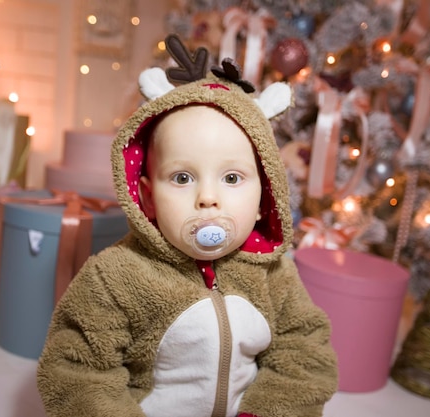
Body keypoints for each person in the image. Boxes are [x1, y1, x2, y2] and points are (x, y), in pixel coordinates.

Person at [37, 35, 337, 417]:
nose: (207, 198)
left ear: (265, 197)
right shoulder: (114, 276)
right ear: (147, 197)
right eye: (182, 178)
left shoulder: (275, 275)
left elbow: (304, 354)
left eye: (231, 178)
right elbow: (77, 372)